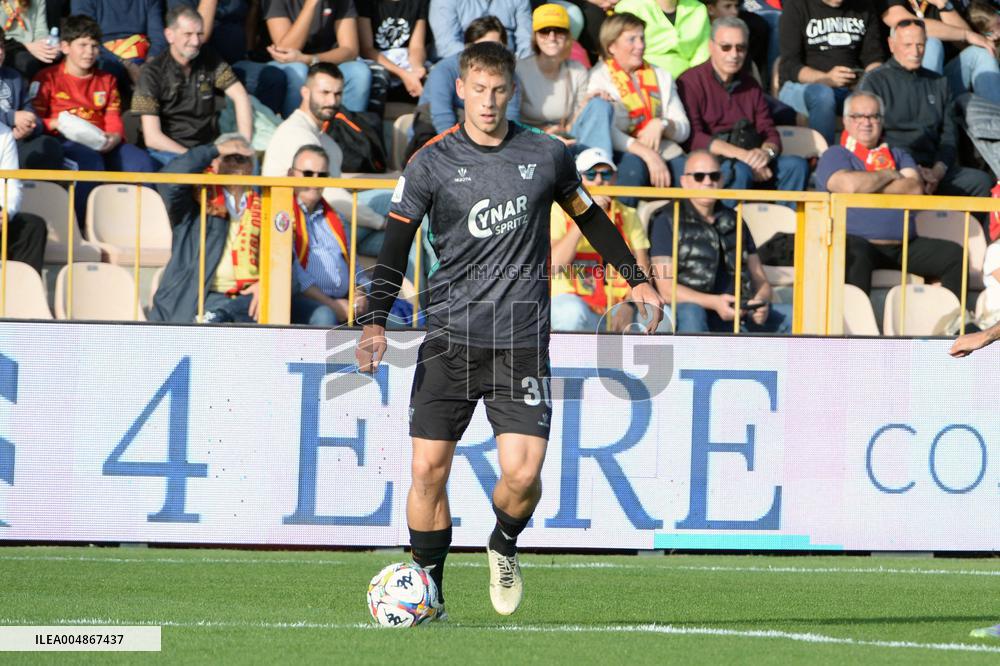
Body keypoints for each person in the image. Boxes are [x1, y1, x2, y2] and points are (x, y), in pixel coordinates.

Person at [354, 41, 663, 619]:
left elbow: (590, 216)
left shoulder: (546, 154)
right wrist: (373, 322)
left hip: (520, 342)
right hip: (448, 337)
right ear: (461, 90)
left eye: (499, 90)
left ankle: (503, 543)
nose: (489, 101)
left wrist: (635, 278)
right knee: (427, 471)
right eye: (479, 90)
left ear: (511, 91)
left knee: (522, 477)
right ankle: (431, 592)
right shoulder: (430, 161)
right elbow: (394, 247)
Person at [815, 91, 965, 296]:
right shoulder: (836, 154)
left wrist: (866, 185)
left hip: (902, 245)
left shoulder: (898, 154)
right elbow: (848, 185)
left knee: (954, 255)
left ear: (881, 121)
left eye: (874, 116)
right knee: (854, 253)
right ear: (847, 121)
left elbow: (914, 190)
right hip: (858, 243)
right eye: (859, 116)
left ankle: (954, 325)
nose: (866, 122)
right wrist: (887, 174)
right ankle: (854, 327)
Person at [860, 17, 994, 230]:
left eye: (920, 45)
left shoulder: (939, 83)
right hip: (895, 167)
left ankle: (974, 250)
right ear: (891, 45)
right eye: (908, 45)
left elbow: (949, 135)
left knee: (980, 182)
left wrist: (938, 171)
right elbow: (869, 135)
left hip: (934, 169)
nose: (916, 51)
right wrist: (909, 170)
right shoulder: (875, 81)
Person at [648, 149, 793, 333]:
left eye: (714, 176)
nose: (708, 182)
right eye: (699, 176)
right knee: (692, 313)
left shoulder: (735, 219)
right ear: (684, 181)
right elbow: (666, 289)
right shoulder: (666, 219)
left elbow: (760, 280)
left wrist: (761, 302)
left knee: (794, 316)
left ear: (722, 180)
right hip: (693, 309)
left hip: (738, 309)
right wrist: (714, 303)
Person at [32, 15, 157, 221]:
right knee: (90, 163)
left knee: (143, 163)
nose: (89, 52)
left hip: (102, 142)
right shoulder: (47, 78)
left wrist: (114, 138)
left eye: (94, 46)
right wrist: (54, 124)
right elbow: (35, 120)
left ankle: (145, 226)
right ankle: (82, 229)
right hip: (63, 142)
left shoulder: (106, 80)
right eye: (82, 45)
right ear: (65, 46)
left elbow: (113, 118)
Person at [260, 62, 386, 255]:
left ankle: (431, 285)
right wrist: (381, 222)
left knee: (410, 240)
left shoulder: (327, 143)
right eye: (324, 93)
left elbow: (336, 186)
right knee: (388, 200)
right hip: (298, 231)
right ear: (305, 92)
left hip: (326, 225)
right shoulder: (296, 134)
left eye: (337, 94)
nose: (332, 101)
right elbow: (331, 195)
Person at [677, 16, 807, 197]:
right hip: (713, 164)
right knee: (740, 170)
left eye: (741, 48)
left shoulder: (751, 85)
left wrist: (764, 154)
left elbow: (769, 132)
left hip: (751, 158)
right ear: (711, 46)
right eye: (726, 47)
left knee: (796, 166)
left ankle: (787, 225)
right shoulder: (690, 81)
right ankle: (732, 224)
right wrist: (742, 156)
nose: (734, 54)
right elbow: (694, 138)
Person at [149, 133, 261, 323]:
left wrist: (266, 284)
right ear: (215, 163)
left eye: (241, 158)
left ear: (252, 166)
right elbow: (168, 180)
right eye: (228, 156)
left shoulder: (267, 204)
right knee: (218, 317)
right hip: (198, 296)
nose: (235, 163)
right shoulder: (196, 199)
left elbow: (286, 258)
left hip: (248, 298)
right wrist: (215, 149)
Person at [585, 11, 691, 201]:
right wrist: (647, 154)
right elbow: (605, 130)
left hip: (664, 148)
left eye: (642, 38)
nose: (640, 46)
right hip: (622, 151)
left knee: (688, 173)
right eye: (631, 40)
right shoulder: (598, 78)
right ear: (611, 46)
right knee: (633, 169)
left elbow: (683, 129)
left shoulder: (661, 75)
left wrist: (662, 123)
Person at [131, 6, 253, 166]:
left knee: (248, 163)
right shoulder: (151, 73)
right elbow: (152, 138)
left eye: (199, 34)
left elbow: (240, 95)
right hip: (169, 153)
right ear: (169, 35)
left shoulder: (209, 57)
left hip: (208, 147)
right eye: (188, 34)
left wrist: (243, 143)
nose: (196, 42)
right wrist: (199, 157)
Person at [551, 147, 652, 331]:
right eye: (591, 174)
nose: (599, 180)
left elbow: (643, 271)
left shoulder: (628, 214)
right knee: (570, 314)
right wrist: (585, 215)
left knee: (656, 314)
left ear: (615, 178)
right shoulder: (557, 211)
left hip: (617, 306)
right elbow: (553, 265)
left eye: (606, 174)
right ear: (577, 178)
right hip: (575, 302)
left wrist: (628, 306)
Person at [777, 0, 884, 145]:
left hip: (849, 87)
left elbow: (874, 58)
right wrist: (825, 78)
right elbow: (790, 66)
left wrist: (866, 82)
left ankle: (875, 157)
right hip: (801, 86)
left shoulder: (864, 6)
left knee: (879, 92)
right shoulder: (797, 5)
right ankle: (826, 159)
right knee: (823, 94)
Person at [288, 143, 366, 326]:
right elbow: (297, 277)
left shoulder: (336, 217)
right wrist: (332, 305)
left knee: (395, 315)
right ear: (291, 175)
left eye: (321, 175)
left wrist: (360, 294)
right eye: (308, 174)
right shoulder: (284, 215)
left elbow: (354, 265)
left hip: (343, 300)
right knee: (325, 316)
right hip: (301, 300)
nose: (315, 181)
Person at [168, 0, 288, 116]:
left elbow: (246, 17)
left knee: (273, 77)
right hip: (203, 69)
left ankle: (264, 128)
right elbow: (197, 39)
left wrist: (248, 51)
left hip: (237, 63)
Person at [263, 0, 372, 116]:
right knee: (298, 71)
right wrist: (310, 5)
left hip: (325, 61)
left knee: (359, 72)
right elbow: (285, 49)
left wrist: (309, 59)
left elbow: (350, 50)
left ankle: (345, 130)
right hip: (285, 63)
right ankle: (297, 129)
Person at [417, 16, 522, 136]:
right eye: (482, 48)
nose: (490, 55)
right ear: (468, 48)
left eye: (495, 48)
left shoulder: (508, 74)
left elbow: (512, 115)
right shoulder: (444, 70)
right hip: (433, 133)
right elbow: (442, 118)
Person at [880, 0, 1000, 103]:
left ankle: (995, 122)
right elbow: (900, 21)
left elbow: (967, 45)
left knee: (982, 52)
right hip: (907, 81)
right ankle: (925, 116)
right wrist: (966, 34)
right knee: (932, 44)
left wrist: (943, 4)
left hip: (949, 76)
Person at [515, 4, 589, 144]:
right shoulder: (519, 70)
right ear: (535, 36)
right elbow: (510, 118)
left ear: (568, 36)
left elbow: (579, 120)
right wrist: (543, 133)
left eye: (559, 31)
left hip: (566, 138)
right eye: (544, 31)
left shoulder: (578, 71)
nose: (552, 37)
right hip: (526, 140)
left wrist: (588, 102)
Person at [69, 0, 167, 95]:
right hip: (104, 55)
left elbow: (158, 38)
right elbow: (84, 37)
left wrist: (148, 66)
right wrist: (127, 65)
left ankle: (146, 108)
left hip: (142, 57)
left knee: (158, 74)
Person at [0, 28, 63, 170]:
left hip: (14, 142)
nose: (0, 52)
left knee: (48, 146)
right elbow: (14, 117)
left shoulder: (14, 76)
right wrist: (11, 118)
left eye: (2, 46)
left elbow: (30, 110)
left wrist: (29, 126)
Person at [358, 0, 429, 116]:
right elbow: (366, 49)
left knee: (431, 76)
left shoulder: (418, 3)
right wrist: (404, 75)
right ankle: (373, 127)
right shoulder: (365, 4)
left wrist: (417, 69)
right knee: (379, 76)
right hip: (377, 60)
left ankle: (423, 127)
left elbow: (417, 46)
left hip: (406, 60)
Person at [612, 0, 711, 78]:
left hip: (690, 82)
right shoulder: (629, 7)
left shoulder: (698, 8)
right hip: (643, 78)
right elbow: (622, 53)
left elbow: (702, 53)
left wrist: (693, 80)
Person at [0, 122, 46, 275]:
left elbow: (11, 183)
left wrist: (5, 212)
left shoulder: (4, 133)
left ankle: (24, 294)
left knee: (32, 227)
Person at [429, 0, 533, 59]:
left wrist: (513, 65)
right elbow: (446, 46)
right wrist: (486, 60)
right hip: (462, 64)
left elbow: (527, 43)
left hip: (510, 65)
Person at [0, 0, 56, 78]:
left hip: (32, 43)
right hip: (7, 45)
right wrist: (26, 46)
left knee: (53, 56)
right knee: (26, 62)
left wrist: (44, 45)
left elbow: (40, 30)